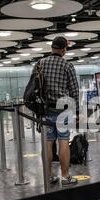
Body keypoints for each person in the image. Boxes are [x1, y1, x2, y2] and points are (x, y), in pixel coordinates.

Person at [36, 36, 80, 186]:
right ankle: (65, 176)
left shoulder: (40, 64)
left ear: (52, 48)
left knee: (48, 143)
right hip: (63, 109)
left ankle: (48, 176)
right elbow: (74, 91)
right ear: (63, 50)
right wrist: (77, 111)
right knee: (63, 140)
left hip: (46, 109)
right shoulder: (67, 65)